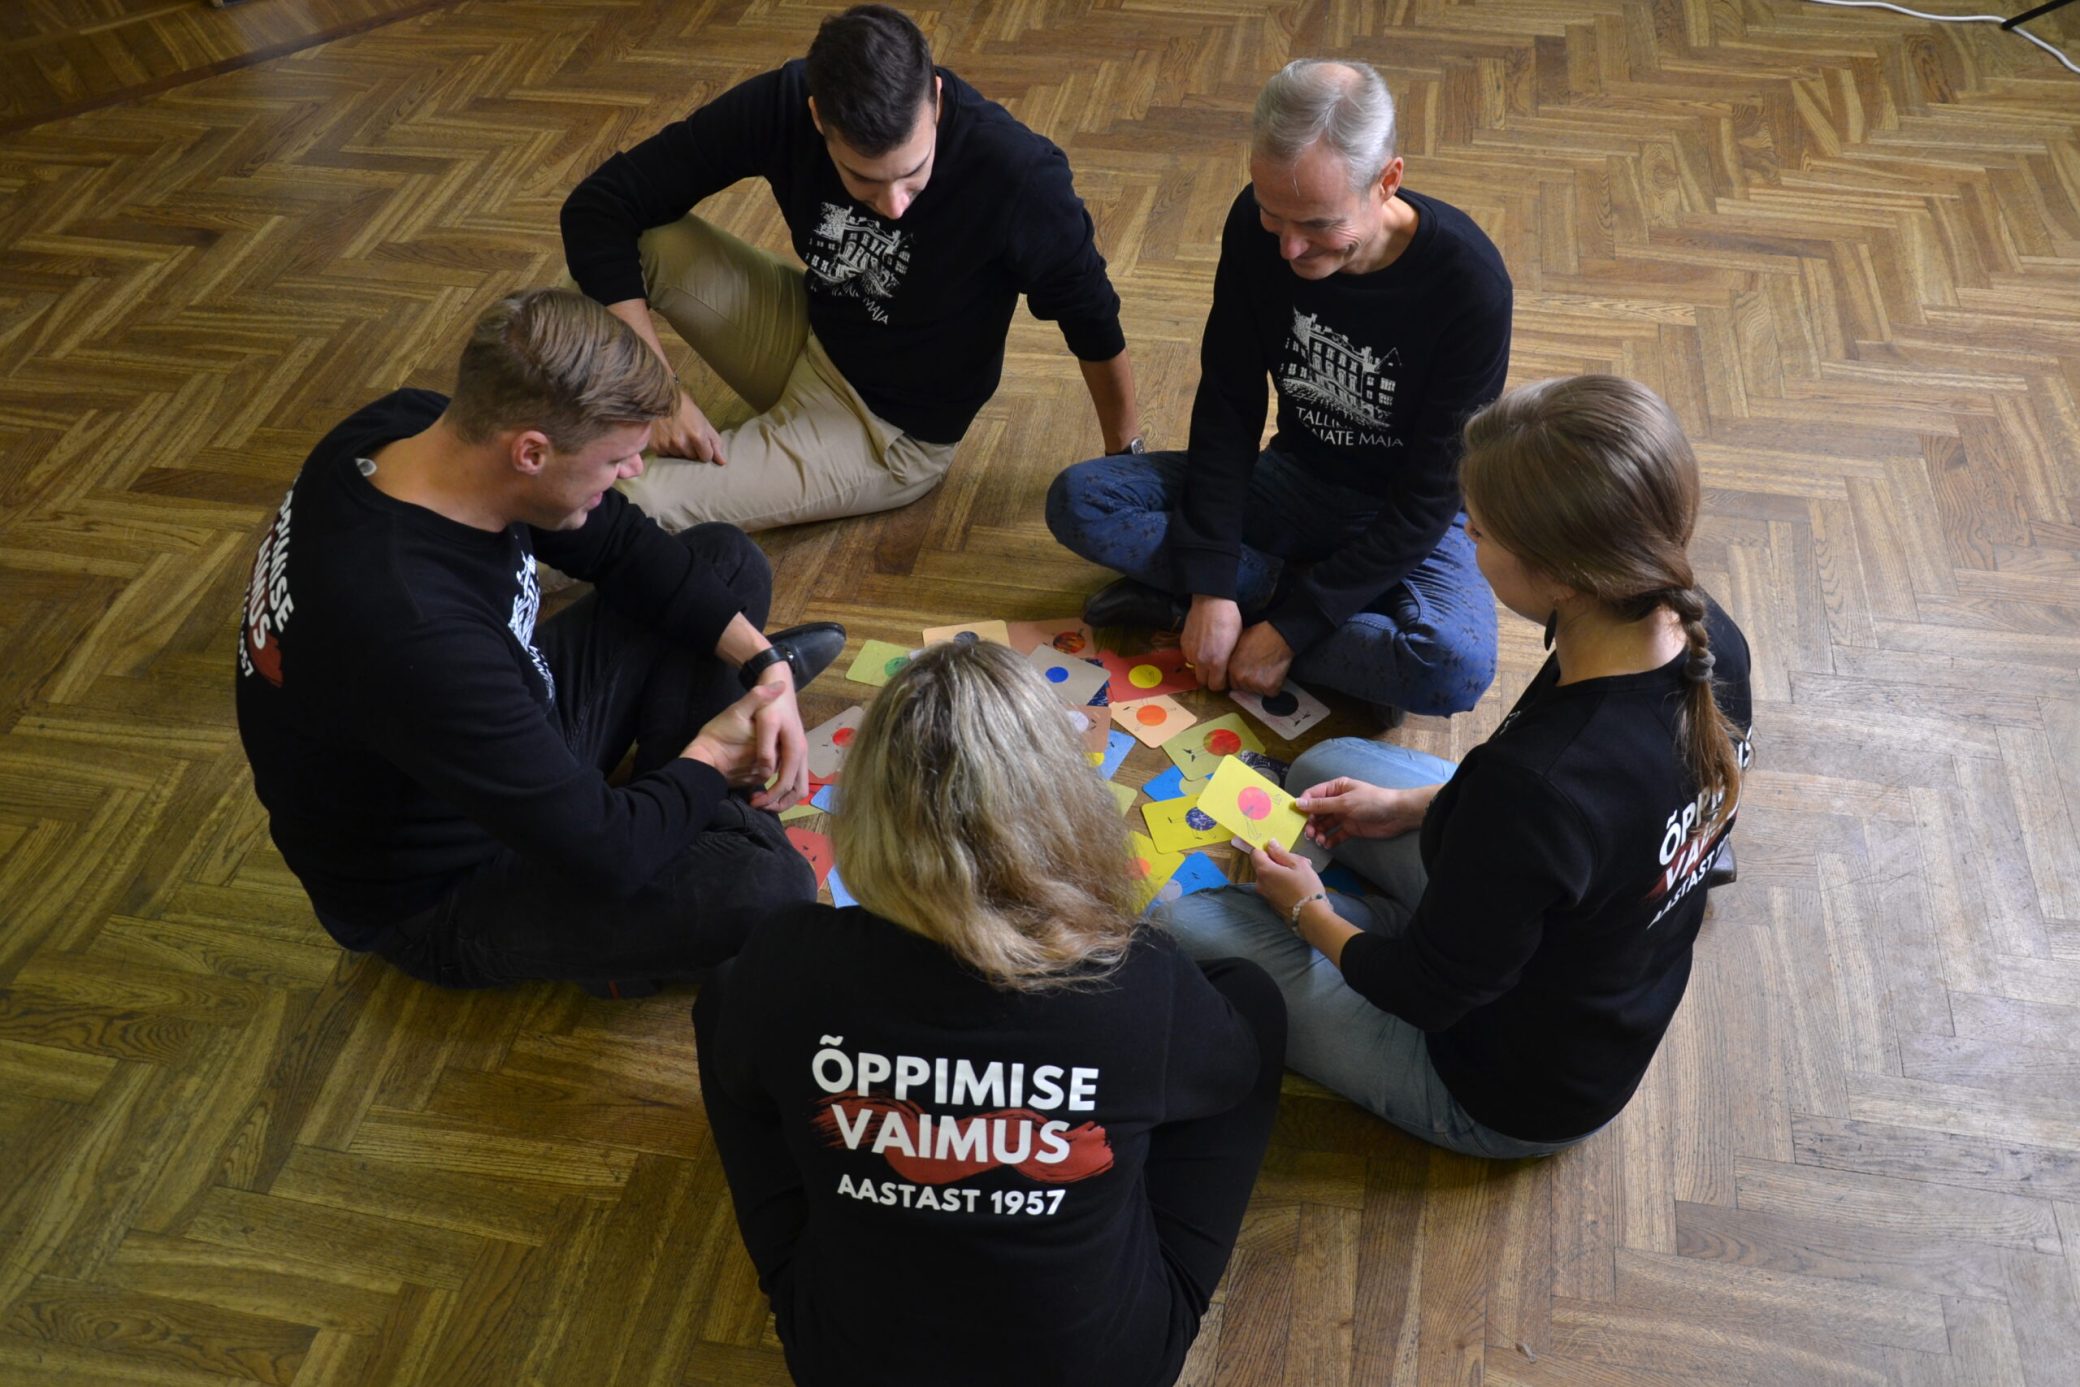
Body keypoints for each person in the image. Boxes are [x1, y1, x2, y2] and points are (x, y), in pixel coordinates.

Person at [1161, 375, 1754, 1158]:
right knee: (1322, 767)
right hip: (1578, 963)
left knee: (1180, 925)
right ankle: (1408, 908)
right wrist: (1410, 808)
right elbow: (1558, 822)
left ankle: (1383, 920)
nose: (1465, 533)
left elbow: (1424, 993)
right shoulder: (1699, 633)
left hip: (1504, 1087)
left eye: (1480, 530)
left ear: (1564, 576)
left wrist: (1308, 909)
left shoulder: (1536, 787)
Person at [694, 641, 1286, 1387]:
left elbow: (746, 1059)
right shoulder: (1135, 974)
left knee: (731, 998)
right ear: (1063, 803)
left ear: (868, 809)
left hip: (845, 1364)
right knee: (1249, 999)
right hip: (1106, 1370)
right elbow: (1230, 1072)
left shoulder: (788, 957)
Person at [234, 288, 847, 998]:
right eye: (617, 459)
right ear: (531, 452)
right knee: (769, 883)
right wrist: (712, 754)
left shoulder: (411, 428)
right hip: (439, 890)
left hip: (496, 730)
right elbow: (608, 853)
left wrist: (764, 665)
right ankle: (645, 905)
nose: (634, 471)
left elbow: (618, 542)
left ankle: (680, 803)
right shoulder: (413, 629)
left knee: (725, 564)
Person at [559, 3, 1139, 535]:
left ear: (935, 98)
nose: (894, 205)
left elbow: (1091, 319)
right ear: (818, 116)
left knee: (623, 502)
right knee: (647, 238)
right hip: (812, 335)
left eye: (912, 173)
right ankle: (535, 443)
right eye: (863, 178)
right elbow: (599, 207)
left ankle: (507, 540)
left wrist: (1126, 459)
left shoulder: (1019, 175)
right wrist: (653, 387)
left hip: (888, 433)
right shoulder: (786, 104)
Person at [1047, 58, 1510, 720]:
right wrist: (1212, 587)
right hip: (1293, 482)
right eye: (1272, 214)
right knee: (1081, 501)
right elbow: (1228, 404)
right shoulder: (1253, 227)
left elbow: (1429, 499)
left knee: (1455, 666)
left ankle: (1205, 607)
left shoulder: (1470, 285)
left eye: (1319, 224)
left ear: (1387, 181)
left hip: (1406, 517)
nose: (1289, 248)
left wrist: (1291, 627)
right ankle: (1336, 647)